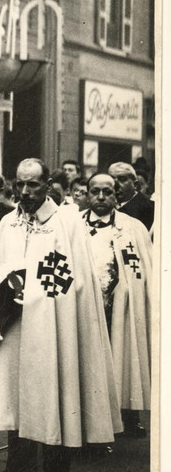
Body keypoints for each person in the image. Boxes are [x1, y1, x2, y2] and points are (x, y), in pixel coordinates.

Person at [0, 159, 122, 472]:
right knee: (16, 391)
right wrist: (4, 291)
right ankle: (17, 466)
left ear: (47, 186)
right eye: (20, 184)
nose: (25, 191)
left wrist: (31, 289)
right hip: (14, 320)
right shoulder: (7, 223)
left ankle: (57, 464)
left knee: (53, 387)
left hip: (52, 321)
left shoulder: (67, 222)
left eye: (33, 185)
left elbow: (71, 274)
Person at [81, 173, 152, 438]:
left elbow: (143, 270)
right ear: (87, 194)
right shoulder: (73, 224)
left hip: (117, 308)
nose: (101, 198)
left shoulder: (133, 228)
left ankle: (125, 415)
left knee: (119, 359)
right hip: (85, 307)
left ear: (116, 195)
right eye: (95, 192)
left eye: (107, 192)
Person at [108, 162, 154, 230]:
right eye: (111, 180)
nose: (115, 185)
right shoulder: (107, 206)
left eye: (122, 179)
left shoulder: (150, 208)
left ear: (135, 185)